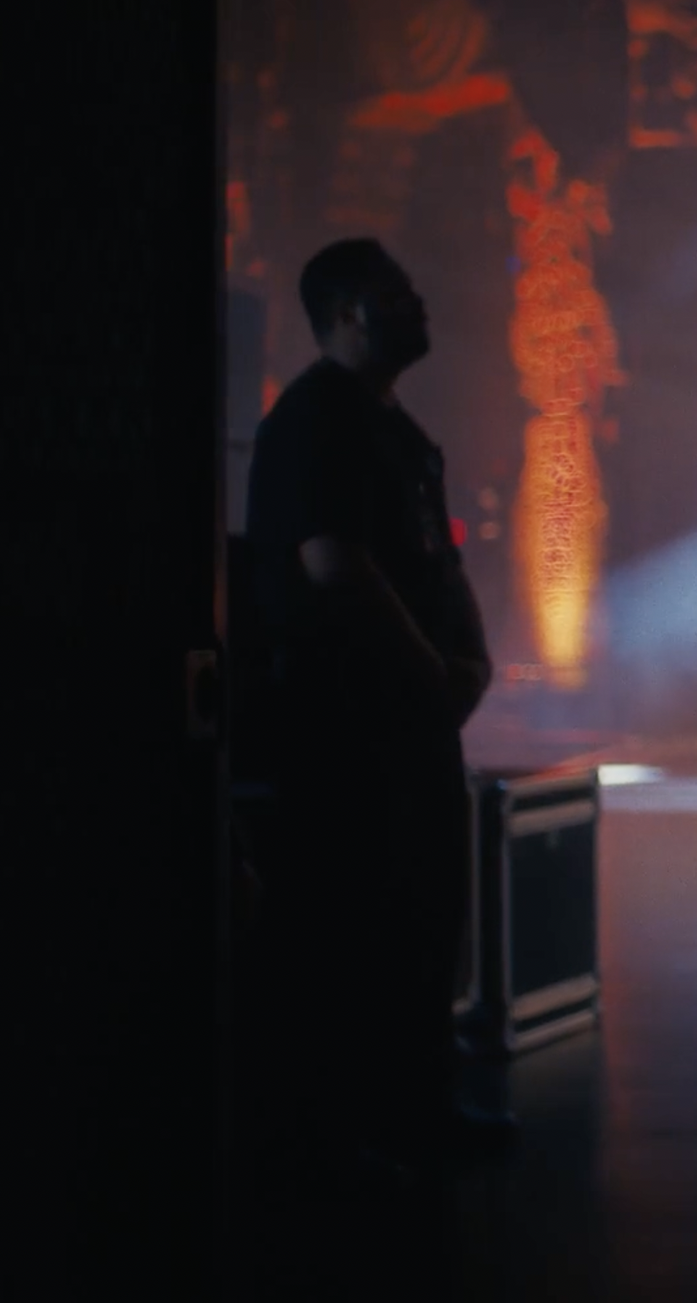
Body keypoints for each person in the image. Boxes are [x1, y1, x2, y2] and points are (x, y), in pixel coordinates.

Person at [243, 238, 508, 1186]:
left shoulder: (397, 430)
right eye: (398, 292)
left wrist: (468, 661)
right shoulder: (316, 420)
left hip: (410, 722)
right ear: (351, 311)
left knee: (422, 915)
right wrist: (434, 669)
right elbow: (335, 563)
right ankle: (348, 1130)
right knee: (357, 919)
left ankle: (416, 1107)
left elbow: (439, 559)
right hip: (347, 727)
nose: (419, 304)